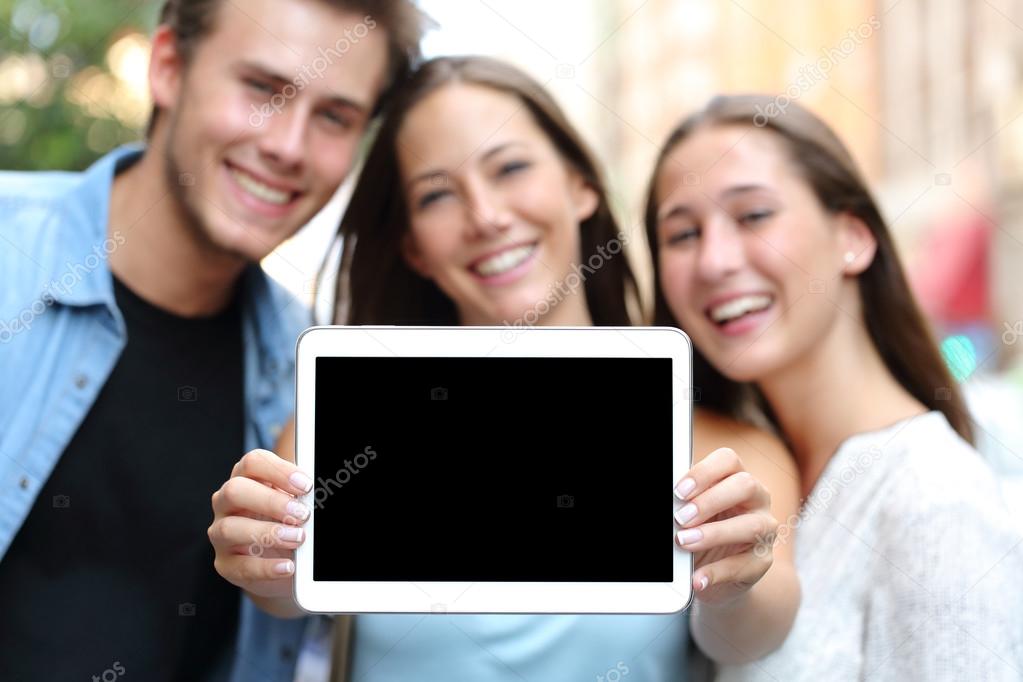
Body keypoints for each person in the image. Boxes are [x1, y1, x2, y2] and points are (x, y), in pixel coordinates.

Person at [209, 57, 802, 682]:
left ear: (581, 185)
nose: (486, 216)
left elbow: (750, 636)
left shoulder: (719, 454)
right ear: (413, 244)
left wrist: (732, 582)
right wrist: (258, 557)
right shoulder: (342, 426)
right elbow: (286, 593)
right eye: (437, 194)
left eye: (511, 168)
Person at [0, 1, 426, 679]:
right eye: (262, 89)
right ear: (168, 68)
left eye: (334, 117)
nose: (287, 146)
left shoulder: (316, 374)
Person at [644, 94, 1023, 680]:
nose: (714, 260)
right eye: (682, 234)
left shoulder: (933, 494)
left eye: (753, 216)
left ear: (854, 237)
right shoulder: (736, 472)